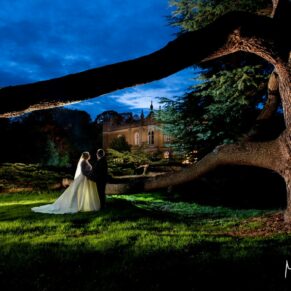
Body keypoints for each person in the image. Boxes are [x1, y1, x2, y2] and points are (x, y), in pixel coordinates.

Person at [32, 152, 100, 214]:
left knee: (83, 191)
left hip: (86, 178)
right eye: (89, 155)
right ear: (86, 156)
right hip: (83, 177)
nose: (90, 156)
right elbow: (83, 171)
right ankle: (71, 204)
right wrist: (88, 175)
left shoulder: (86, 162)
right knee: (75, 190)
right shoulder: (83, 162)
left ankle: (84, 204)